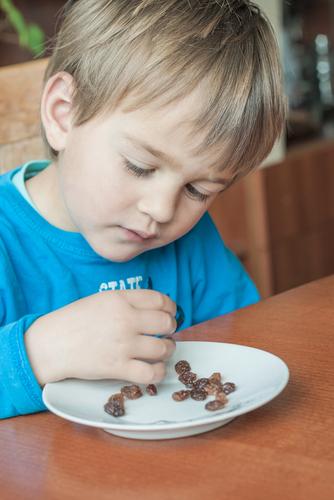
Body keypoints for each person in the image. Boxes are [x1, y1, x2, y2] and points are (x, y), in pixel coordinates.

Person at [0, 0, 285, 419]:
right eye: (140, 166)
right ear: (63, 114)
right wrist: (38, 353)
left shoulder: (191, 239)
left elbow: (245, 350)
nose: (161, 210)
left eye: (198, 189)